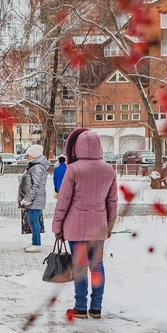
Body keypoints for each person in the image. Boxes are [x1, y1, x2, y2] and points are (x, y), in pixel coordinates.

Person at [52, 129, 117, 319]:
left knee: (80, 267)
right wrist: (109, 226)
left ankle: (80, 307)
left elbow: (63, 202)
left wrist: (57, 228)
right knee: (97, 266)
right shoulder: (108, 169)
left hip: (75, 228)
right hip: (99, 228)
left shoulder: (73, 169)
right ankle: (96, 307)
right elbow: (112, 202)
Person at [18, 144, 49, 253]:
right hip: (33, 199)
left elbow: (36, 185)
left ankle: (37, 244)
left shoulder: (37, 167)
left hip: (35, 199)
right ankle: (35, 242)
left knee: (33, 220)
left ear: (34, 156)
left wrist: (28, 198)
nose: (27, 157)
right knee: (32, 220)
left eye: (29, 155)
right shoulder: (34, 166)